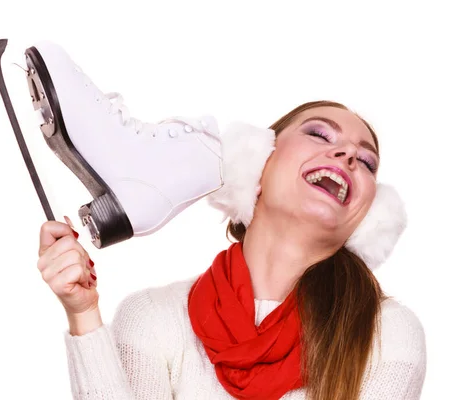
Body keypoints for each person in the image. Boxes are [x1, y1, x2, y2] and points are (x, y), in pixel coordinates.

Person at [36, 101, 427, 399]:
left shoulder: (387, 334)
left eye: (367, 162)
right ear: (254, 163)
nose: (347, 156)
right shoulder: (154, 318)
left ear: (367, 221)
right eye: (321, 135)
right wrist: (83, 313)